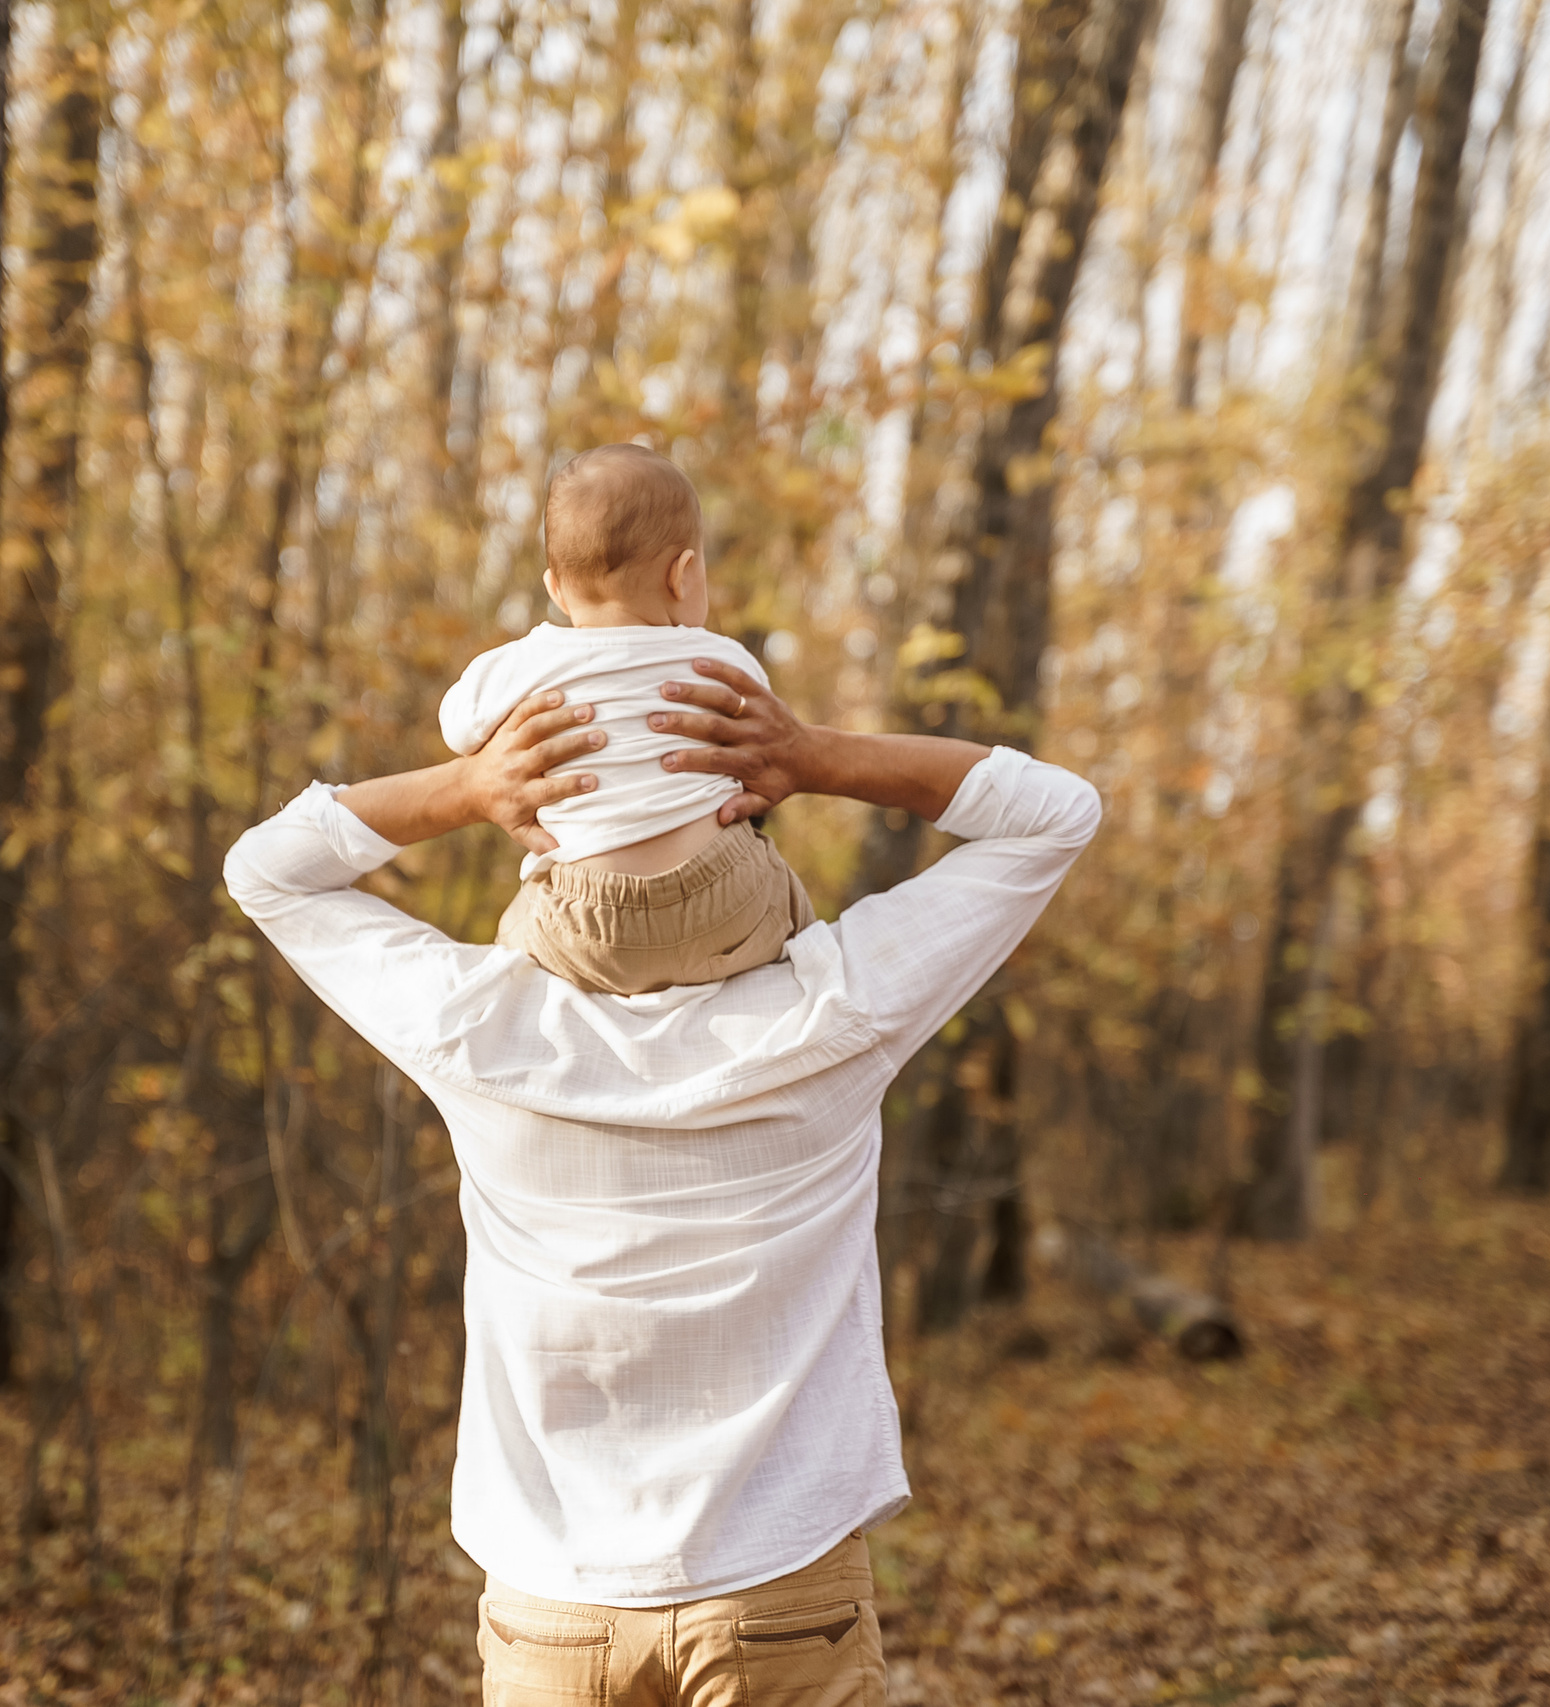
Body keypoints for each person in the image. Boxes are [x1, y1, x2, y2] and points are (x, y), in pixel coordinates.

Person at [224, 661, 1101, 1707]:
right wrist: (809, 757)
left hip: (554, 1602)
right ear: (767, 896)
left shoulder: (480, 1028)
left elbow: (268, 870)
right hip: (784, 1585)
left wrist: (472, 789)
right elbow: (1054, 813)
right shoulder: (835, 1013)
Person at [439, 442, 812, 994]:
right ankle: (803, 990)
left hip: (586, 921)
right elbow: (760, 735)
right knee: (790, 907)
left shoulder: (527, 664)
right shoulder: (725, 661)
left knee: (514, 940)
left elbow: (456, 727)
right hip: (728, 900)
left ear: (555, 590)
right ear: (683, 576)